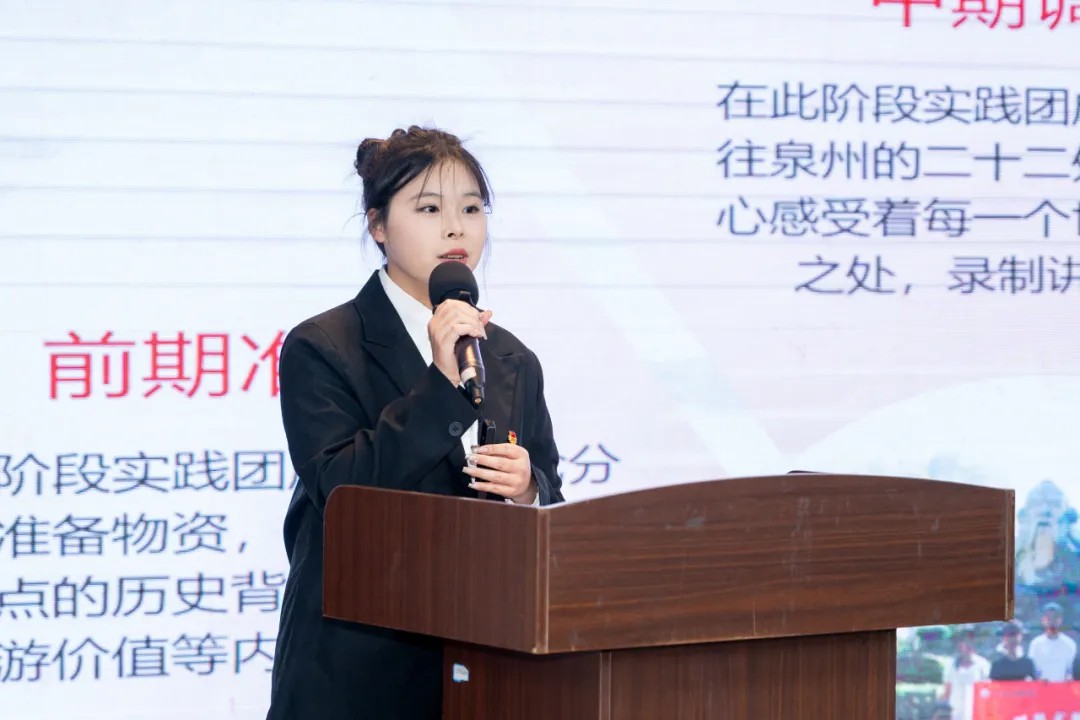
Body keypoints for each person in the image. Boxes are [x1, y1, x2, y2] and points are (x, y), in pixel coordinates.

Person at [265, 126, 565, 720]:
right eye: (429, 209)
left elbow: (549, 492)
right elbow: (342, 489)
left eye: (471, 209)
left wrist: (528, 490)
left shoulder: (510, 357)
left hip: (486, 661)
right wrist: (441, 385)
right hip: (358, 671)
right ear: (378, 225)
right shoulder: (324, 345)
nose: (456, 229)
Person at [939, 628, 990, 720]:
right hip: (954, 714)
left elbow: (987, 692)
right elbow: (946, 691)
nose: (968, 644)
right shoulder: (951, 665)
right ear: (960, 644)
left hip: (976, 714)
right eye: (965, 641)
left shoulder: (983, 665)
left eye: (971, 641)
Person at [1028, 601, 1077, 681]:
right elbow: (1032, 670)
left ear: (1060, 620)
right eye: (1048, 618)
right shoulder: (1036, 644)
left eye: (1055, 617)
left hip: (1063, 687)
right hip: (1041, 687)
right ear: (1043, 620)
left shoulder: (1069, 644)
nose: (1052, 621)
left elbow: (1070, 670)